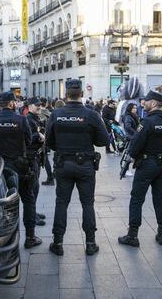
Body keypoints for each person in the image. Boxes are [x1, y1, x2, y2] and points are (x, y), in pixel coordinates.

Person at [46, 79, 110, 256]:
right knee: (87, 203)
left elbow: (49, 141)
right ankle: (90, 243)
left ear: (66, 94)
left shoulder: (56, 114)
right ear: (81, 94)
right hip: (86, 165)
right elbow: (104, 141)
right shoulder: (91, 115)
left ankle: (58, 243)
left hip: (63, 164)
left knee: (61, 203)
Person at [118, 91, 162, 247]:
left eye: (147, 101)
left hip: (146, 164)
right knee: (160, 199)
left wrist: (132, 157)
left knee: (137, 199)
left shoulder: (147, 122)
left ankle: (132, 235)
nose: (144, 103)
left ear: (154, 103)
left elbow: (136, 144)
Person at [0, 91, 42, 248]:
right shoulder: (21, 120)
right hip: (21, 166)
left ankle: (7, 239)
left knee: (5, 204)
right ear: (11, 103)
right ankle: (30, 237)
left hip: (1, 168)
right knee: (28, 200)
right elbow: (29, 140)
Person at [26, 97, 47, 226]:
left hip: (37, 156)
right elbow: (27, 138)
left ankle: (33, 212)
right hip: (31, 156)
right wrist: (38, 137)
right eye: (36, 105)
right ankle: (31, 215)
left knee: (35, 186)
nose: (39, 107)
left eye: (40, 105)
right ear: (29, 106)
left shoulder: (36, 118)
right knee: (33, 187)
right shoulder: (28, 119)